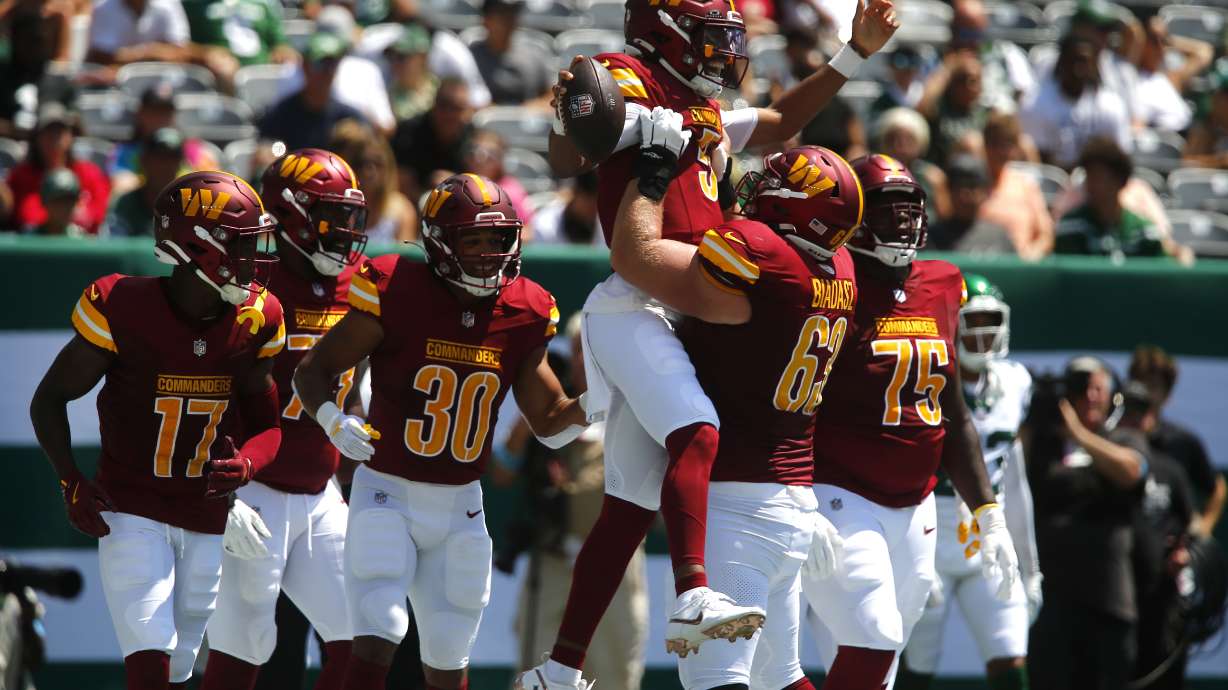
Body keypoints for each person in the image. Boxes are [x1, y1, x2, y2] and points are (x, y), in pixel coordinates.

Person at [519, 2, 899, 687]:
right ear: (665, 33)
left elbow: (781, 123)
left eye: (729, 42)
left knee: (631, 505)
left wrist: (853, 55)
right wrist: (579, 116)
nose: (725, 56)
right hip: (637, 298)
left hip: (680, 305)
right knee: (698, 430)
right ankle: (693, 592)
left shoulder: (701, 106)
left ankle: (558, 670)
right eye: (713, 40)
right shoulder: (627, 77)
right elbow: (568, 148)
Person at [292, 173, 590, 690]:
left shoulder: (524, 309)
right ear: (438, 243)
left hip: (461, 506)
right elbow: (311, 370)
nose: (485, 254)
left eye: (496, 240)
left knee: (450, 653)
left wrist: (600, 403)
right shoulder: (395, 288)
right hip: (388, 490)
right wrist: (332, 420)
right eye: (471, 239)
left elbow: (549, 422)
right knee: (380, 627)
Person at [612, 134, 865, 689]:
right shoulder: (839, 266)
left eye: (773, 185)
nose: (757, 189)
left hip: (736, 507)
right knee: (783, 675)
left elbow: (634, 257)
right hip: (793, 501)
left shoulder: (761, 253)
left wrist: (650, 177)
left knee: (714, 680)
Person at [28, 170, 285, 689]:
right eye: (240, 244)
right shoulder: (123, 306)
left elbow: (269, 429)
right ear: (196, 245)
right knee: (150, 661)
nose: (252, 258)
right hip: (131, 510)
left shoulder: (257, 318)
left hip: (205, 515)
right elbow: (48, 400)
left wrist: (248, 465)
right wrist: (70, 480)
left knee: (181, 666)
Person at [800, 154, 1016, 690]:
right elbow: (793, 402)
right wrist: (796, 494)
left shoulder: (943, 282)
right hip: (840, 496)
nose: (902, 220)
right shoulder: (833, 284)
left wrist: (988, 512)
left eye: (909, 207)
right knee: (876, 636)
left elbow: (952, 411)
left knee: (882, 661)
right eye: (887, 207)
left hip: (917, 503)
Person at [201, 148, 370, 690]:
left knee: (364, 631)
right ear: (292, 214)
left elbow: (355, 384)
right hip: (253, 488)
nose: (345, 230)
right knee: (243, 642)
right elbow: (205, 390)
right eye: (332, 216)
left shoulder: (358, 285)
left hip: (322, 493)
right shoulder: (247, 283)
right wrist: (218, 488)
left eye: (351, 217)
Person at [897, 274, 1040, 690]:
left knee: (1010, 654)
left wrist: (1031, 565)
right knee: (917, 661)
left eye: (990, 321)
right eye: (972, 322)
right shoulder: (925, 377)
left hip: (986, 533)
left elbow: (1013, 478)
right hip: (931, 527)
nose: (983, 334)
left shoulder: (1016, 383)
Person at [502, 314, 648, 690]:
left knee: (615, 671)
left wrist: (573, 488)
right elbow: (502, 473)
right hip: (551, 559)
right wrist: (531, 423)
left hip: (615, 564)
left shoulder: (641, 404)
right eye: (581, 350)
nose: (588, 360)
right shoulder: (555, 405)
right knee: (536, 666)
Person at [1024, 357, 1148, 690]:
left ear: (1112, 396)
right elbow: (1011, 471)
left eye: (1098, 389)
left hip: (1107, 603)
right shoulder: (1045, 445)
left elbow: (1131, 472)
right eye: (1082, 388)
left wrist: (1077, 434)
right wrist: (1033, 418)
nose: (1090, 397)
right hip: (1052, 603)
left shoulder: (1122, 438)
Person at [1117, 381, 1196, 690]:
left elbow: (1190, 524)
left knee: (1164, 675)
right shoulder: (1095, 466)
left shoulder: (1170, 469)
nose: (1134, 421)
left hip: (1161, 596)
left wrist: (1184, 552)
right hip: (1116, 597)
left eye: (1140, 413)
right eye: (1126, 413)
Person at [1129, 345, 1225, 539]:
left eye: (1154, 386)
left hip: (1171, 553)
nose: (1146, 394)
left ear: (1167, 394)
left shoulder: (1183, 441)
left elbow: (1217, 488)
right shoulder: (1113, 438)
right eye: (1141, 383)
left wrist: (1205, 526)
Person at [1054, 137, 1189, 261]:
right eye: (1090, 177)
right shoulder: (1070, 227)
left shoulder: (1144, 232)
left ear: (1121, 181)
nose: (1093, 186)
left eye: (1101, 179)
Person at [1020, 34, 1130, 170]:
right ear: (1061, 63)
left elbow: (1120, 157)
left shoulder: (1111, 106)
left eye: (1084, 62)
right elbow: (1037, 160)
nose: (1078, 69)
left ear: (1095, 65)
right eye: (1072, 61)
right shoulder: (1035, 104)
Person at [6, 102, 110, 234]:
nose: (54, 138)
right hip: (34, 250)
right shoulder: (20, 176)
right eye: (48, 132)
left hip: (82, 250)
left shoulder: (90, 173)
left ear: (70, 136)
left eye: (60, 131)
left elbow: (100, 216)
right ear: (36, 138)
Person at [259, 32, 367, 152]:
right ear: (304, 66)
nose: (327, 72)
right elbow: (269, 150)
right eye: (320, 64)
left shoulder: (349, 118)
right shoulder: (280, 116)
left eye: (332, 64)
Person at [109, 83, 219, 197]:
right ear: (141, 114)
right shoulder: (124, 151)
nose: (160, 119)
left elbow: (213, 184)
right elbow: (122, 182)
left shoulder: (194, 150)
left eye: (165, 113)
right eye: (154, 112)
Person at [328, 119, 418, 244]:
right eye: (362, 163)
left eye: (377, 163)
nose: (369, 170)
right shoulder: (338, 207)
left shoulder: (402, 210)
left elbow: (404, 259)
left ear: (388, 166)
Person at [976, 112, 1052, 261]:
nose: (1002, 151)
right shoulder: (971, 186)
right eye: (995, 144)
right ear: (985, 145)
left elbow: (1045, 235)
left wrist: (1030, 257)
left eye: (1008, 145)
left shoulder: (1026, 185)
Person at [390, 78, 474, 203]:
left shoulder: (473, 137)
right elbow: (400, 183)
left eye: (457, 108)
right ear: (434, 104)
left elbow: (479, 185)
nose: (449, 114)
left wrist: (454, 184)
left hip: (463, 203)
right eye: (444, 105)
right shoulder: (409, 133)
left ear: (468, 111)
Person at [1133, 14, 1212, 133]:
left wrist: (1169, 41)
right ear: (1141, 40)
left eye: (1163, 41)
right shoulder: (1129, 79)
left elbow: (1204, 52)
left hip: (1187, 135)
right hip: (1160, 141)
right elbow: (1137, 127)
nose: (1160, 47)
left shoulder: (1171, 78)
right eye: (1154, 40)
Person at [468, 0, 554, 106]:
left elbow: (551, 96)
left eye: (513, 13)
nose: (508, 19)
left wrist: (525, 111)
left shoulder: (534, 54)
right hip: (480, 120)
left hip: (529, 121)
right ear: (486, 20)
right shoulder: (469, 56)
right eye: (501, 13)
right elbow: (460, 96)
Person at [105, 127, 187, 237]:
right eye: (158, 158)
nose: (164, 166)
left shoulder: (191, 205)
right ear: (144, 161)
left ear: (180, 163)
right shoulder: (125, 203)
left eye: (171, 158)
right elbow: (114, 244)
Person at [925, 153, 1013, 254]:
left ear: (986, 191)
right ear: (949, 191)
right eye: (959, 187)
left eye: (972, 186)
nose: (965, 195)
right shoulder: (931, 237)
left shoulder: (998, 235)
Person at [86, 0, 191, 67]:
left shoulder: (169, 4)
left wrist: (134, 55)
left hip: (164, 82)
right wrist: (151, 53)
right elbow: (101, 56)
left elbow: (179, 51)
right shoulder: (102, 7)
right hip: (113, 88)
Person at [385, 23, 438, 121]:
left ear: (423, 57)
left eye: (402, 57)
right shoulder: (385, 97)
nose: (395, 63)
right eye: (391, 56)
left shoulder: (439, 90)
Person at [25, 167, 85, 236]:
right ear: (45, 202)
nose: (65, 207)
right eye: (58, 201)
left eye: (70, 201)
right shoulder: (29, 236)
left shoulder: (79, 238)